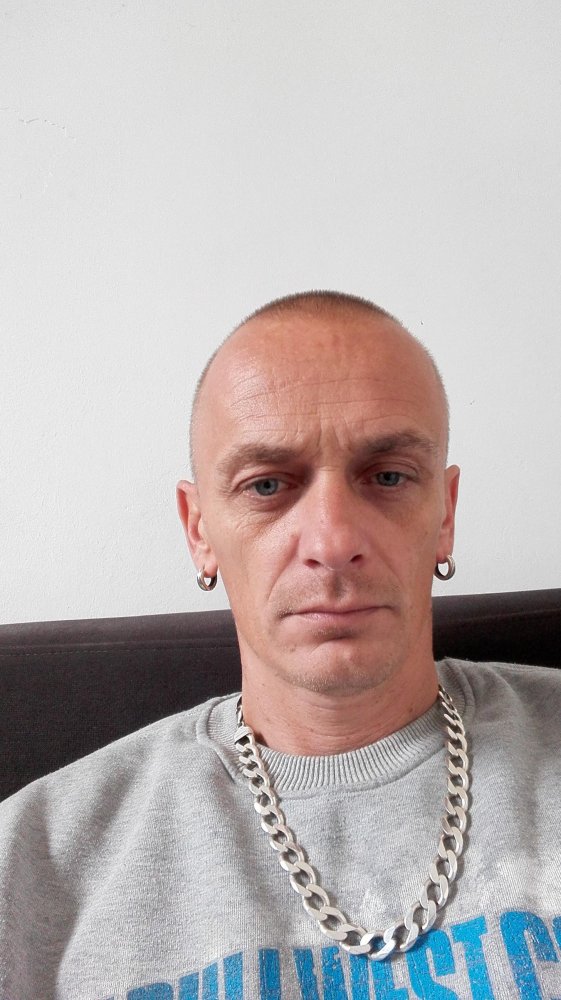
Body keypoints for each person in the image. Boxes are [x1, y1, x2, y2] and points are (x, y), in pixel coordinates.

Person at [1, 291, 560, 1000]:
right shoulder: (34, 858)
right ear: (199, 530)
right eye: (266, 485)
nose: (332, 541)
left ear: (444, 514)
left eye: (388, 476)